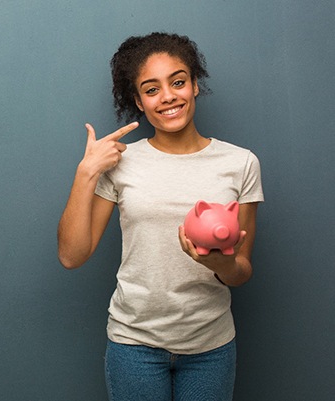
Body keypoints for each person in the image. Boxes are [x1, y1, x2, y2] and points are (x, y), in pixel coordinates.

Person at [57, 32, 264, 401]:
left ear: (195, 86)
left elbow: (241, 273)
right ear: (138, 100)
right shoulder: (120, 163)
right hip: (134, 345)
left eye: (178, 82)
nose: (168, 96)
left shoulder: (240, 163)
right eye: (151, 90)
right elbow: (72, 256)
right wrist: (85, 172)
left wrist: (220, 263)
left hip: (210, 347)